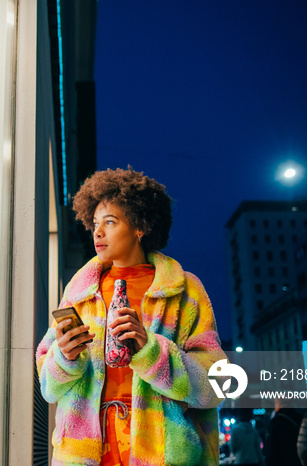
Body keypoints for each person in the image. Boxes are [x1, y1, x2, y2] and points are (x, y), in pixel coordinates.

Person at [36, 168, 226, 465]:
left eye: (110, 222)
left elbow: (215, 386)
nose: (97, 232)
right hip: (85, 454)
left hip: (160, 454)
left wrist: (151, 351)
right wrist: (64, 357)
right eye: (95, 223)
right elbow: (48, 387)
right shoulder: (78, 292)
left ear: (140, 226)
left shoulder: (183, 290)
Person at [264, 399, 303, 466]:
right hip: (297, 461)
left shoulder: (275, 422)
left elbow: (271, 449)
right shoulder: (300, 419)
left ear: (279, 404)